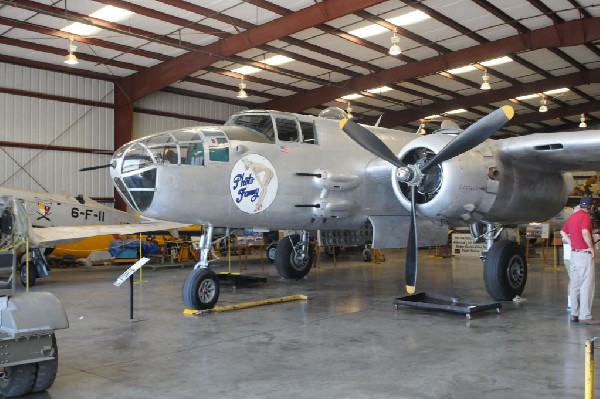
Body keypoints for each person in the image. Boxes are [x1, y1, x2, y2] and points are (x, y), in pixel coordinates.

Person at [560, 197, 596, 324]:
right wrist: (591, 248)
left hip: (574, 254)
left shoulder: (574, 216)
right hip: (584, 255)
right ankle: (585, 315)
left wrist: (572, 244)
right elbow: (585, 232)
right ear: (590, 206)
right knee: (587, 285)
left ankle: (574, 314)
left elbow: (563, 232)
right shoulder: (586, 217)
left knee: (575, 284)